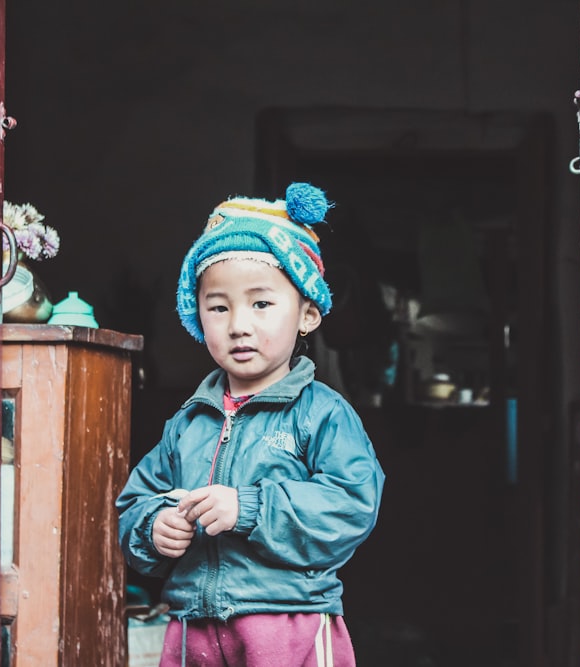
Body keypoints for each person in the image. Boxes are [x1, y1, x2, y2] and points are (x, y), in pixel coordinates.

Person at [117, 182, 385, 667]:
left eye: (261, 304)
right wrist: (153, 529)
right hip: (192, 626)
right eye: (218, 307)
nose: (238, 324)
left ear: (307, 313)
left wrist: (249, 508)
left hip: (288, 624)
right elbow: (135, 502)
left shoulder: (320, 413)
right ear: (196, 314)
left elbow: (352, 503)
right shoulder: (187, 422)